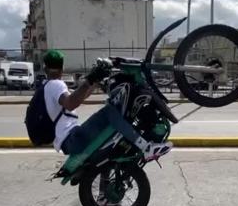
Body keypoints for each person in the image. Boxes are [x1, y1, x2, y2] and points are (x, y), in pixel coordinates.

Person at [41, 49, 172, 161]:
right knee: (109, 112)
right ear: (62, 67)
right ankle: (146, 147)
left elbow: (80, 97)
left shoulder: (48, 86)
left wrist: (96, 81)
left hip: (70, 140)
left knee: (110, 129)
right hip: (73, 139)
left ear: (44, 68)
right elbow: (71, 103)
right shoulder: (55, 84)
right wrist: (90, 79)